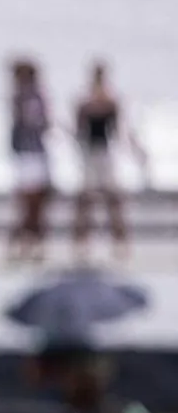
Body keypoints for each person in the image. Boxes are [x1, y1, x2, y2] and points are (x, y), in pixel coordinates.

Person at [72, 60, 145, 263]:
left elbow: (120, 130)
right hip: (90, 152)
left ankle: (119, 242)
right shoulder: (86, 102)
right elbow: (79, 131)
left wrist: (135, 150)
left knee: (112, 199)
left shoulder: (109, 101)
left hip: (105, 152)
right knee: (86, 201)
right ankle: (82, 243)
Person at [7, 59, 53, 264]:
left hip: (33, 154)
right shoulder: (21, 98)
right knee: (28, 204)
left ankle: (31, 244)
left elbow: (41, 124)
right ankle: (24, 244)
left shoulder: (32, 98)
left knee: (35, 204)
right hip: (27, 155)